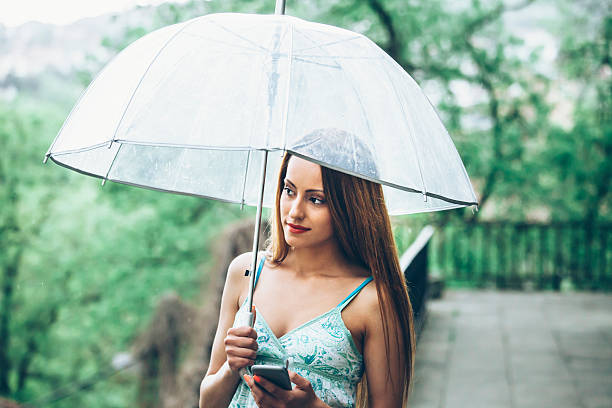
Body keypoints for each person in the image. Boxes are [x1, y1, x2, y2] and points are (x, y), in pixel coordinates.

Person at [199, 129, 416, 407]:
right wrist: (232, 368)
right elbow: (208, 401)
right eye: (289, 191)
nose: (294, 211)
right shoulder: (246, 272)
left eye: (316, 199)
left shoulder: (372, 301)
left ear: (350, 207)